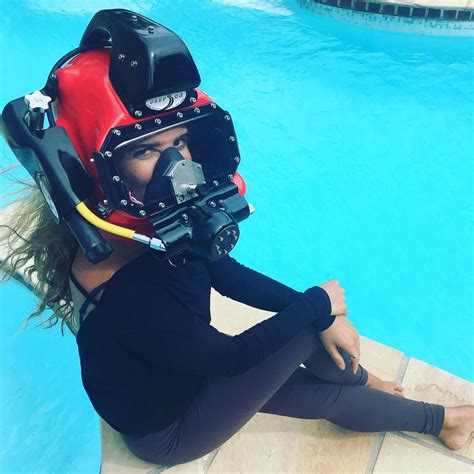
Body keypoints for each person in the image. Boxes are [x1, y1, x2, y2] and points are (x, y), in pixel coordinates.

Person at [1, 8, 472, 470]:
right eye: (144, 150)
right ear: (85, 173)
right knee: (309, 331)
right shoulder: (124, 286)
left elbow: (223, 273)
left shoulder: (148, 233)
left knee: (316, 341)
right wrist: (319, 305)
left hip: (185, 376)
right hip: (169, 430)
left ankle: (379, 390)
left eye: (179, 142)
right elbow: (229, 357)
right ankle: (440, 420)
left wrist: (320, 311)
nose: (178, 170)